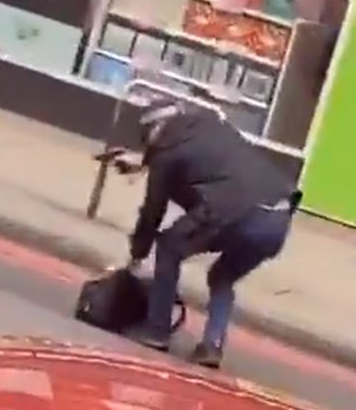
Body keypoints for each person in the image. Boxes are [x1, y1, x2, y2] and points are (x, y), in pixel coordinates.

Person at [117, 100, 300, 369]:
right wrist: (146, 163)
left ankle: (157, 330)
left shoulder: (167, 153)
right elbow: (211, 163)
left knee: (169, 246)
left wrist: (138, 254)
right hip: (277, 218)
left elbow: (152, 211)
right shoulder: (211, 125)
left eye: (145, 137)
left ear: (154, 129)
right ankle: (212, 345)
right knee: (222, 276)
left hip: (235, 212)